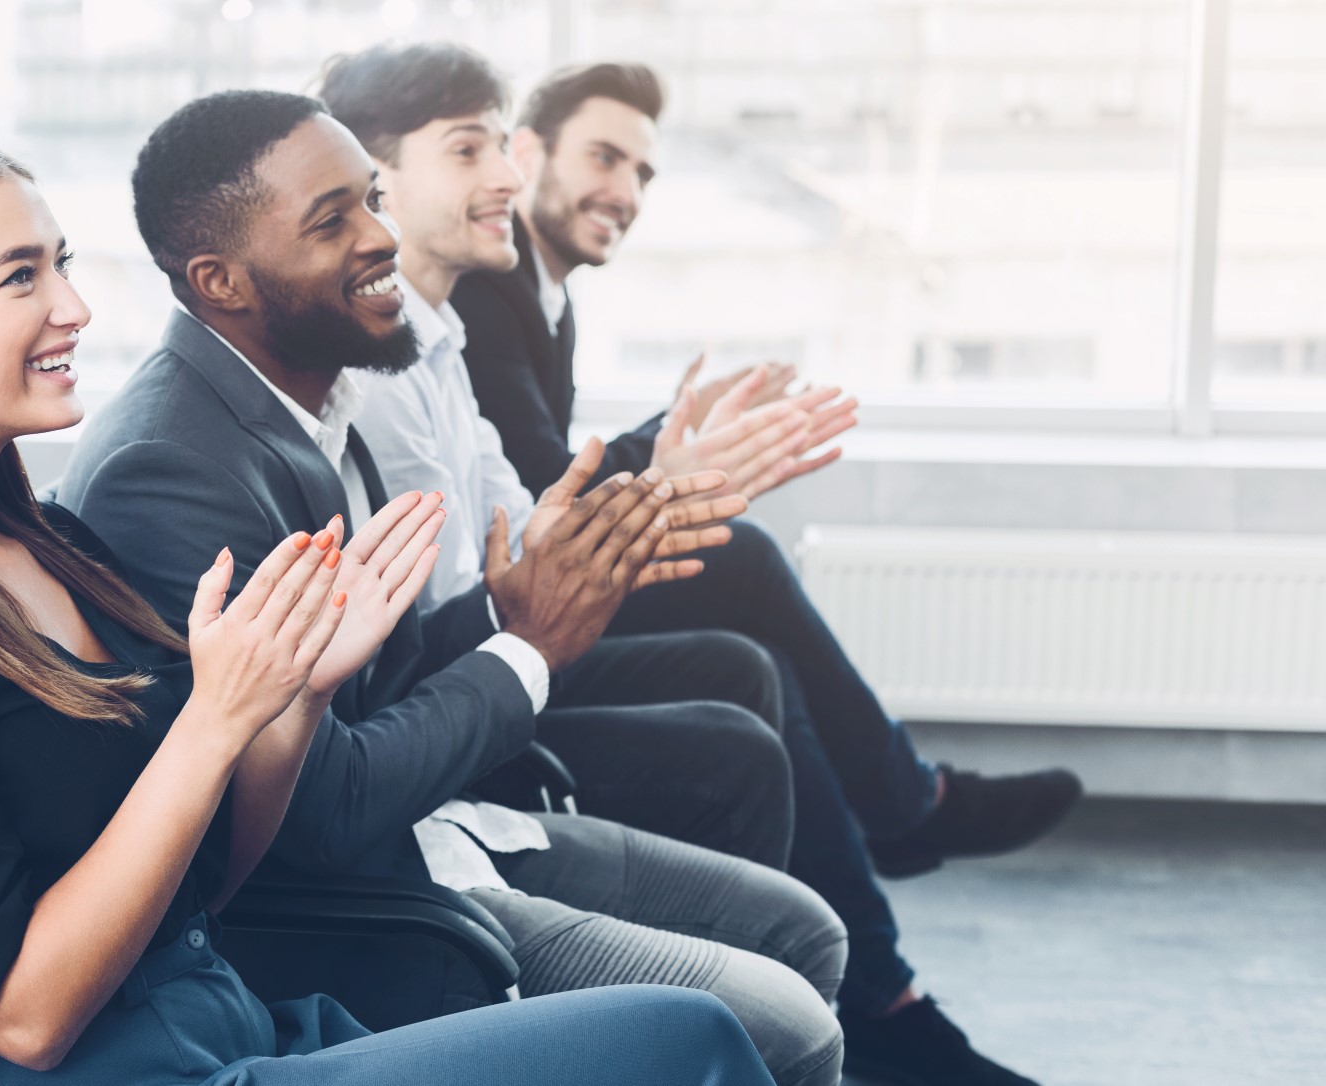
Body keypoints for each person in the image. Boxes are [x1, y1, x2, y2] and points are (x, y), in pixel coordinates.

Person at [0, 136, 774, 1086]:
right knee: (691, 1039)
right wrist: (213, 721)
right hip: (149, 1069)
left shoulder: (49, 545)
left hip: (229, 1025)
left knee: (687, 1027)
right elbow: (23, 1020)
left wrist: (296, 697)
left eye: (60, 265)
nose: (73, 307)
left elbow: (203, 890)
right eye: (22, 276)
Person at [60, 90, 847, 1086]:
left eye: (372, 201)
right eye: (332, 220)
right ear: (221, 281)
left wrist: (512, 601)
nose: (381, 238)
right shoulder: (169, 469)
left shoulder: (305, 399)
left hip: (433, 827)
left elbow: (370, 678)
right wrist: (527, 648)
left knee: (807, 935)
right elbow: (319, 810)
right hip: (345, 902)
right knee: (795, 1028)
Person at [428, 53, 1078, 1086]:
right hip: (488, 631)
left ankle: (889, 909)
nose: (625, 192)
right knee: (739, 567)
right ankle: (903, 835)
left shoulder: (546, 299)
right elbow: (548, 503)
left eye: (643, 174)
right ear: (528, 154)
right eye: (604, 157)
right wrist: (664, 453)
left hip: (514, 599)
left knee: (746, 634)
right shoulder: (491, 296)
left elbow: (532, 490)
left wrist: (666, 459)